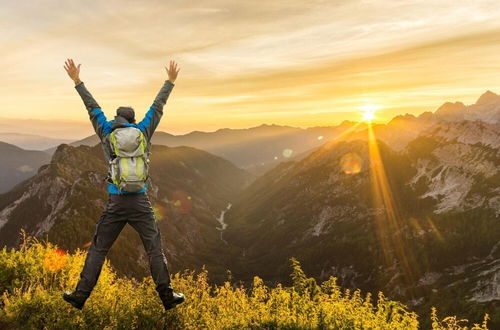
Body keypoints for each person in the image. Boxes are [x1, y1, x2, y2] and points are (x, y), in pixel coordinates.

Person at [61, 58, 185, 311]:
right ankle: (167, 297)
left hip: (116, 203)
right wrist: (169, 82)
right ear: (133, 120)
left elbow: (92, 107)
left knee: (98, 249)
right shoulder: (142, 131)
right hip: (140, 201)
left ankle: (80, 296)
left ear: (118, 119)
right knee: (154, 250)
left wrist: (77, 81)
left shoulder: (107, 132)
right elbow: (157, 107)